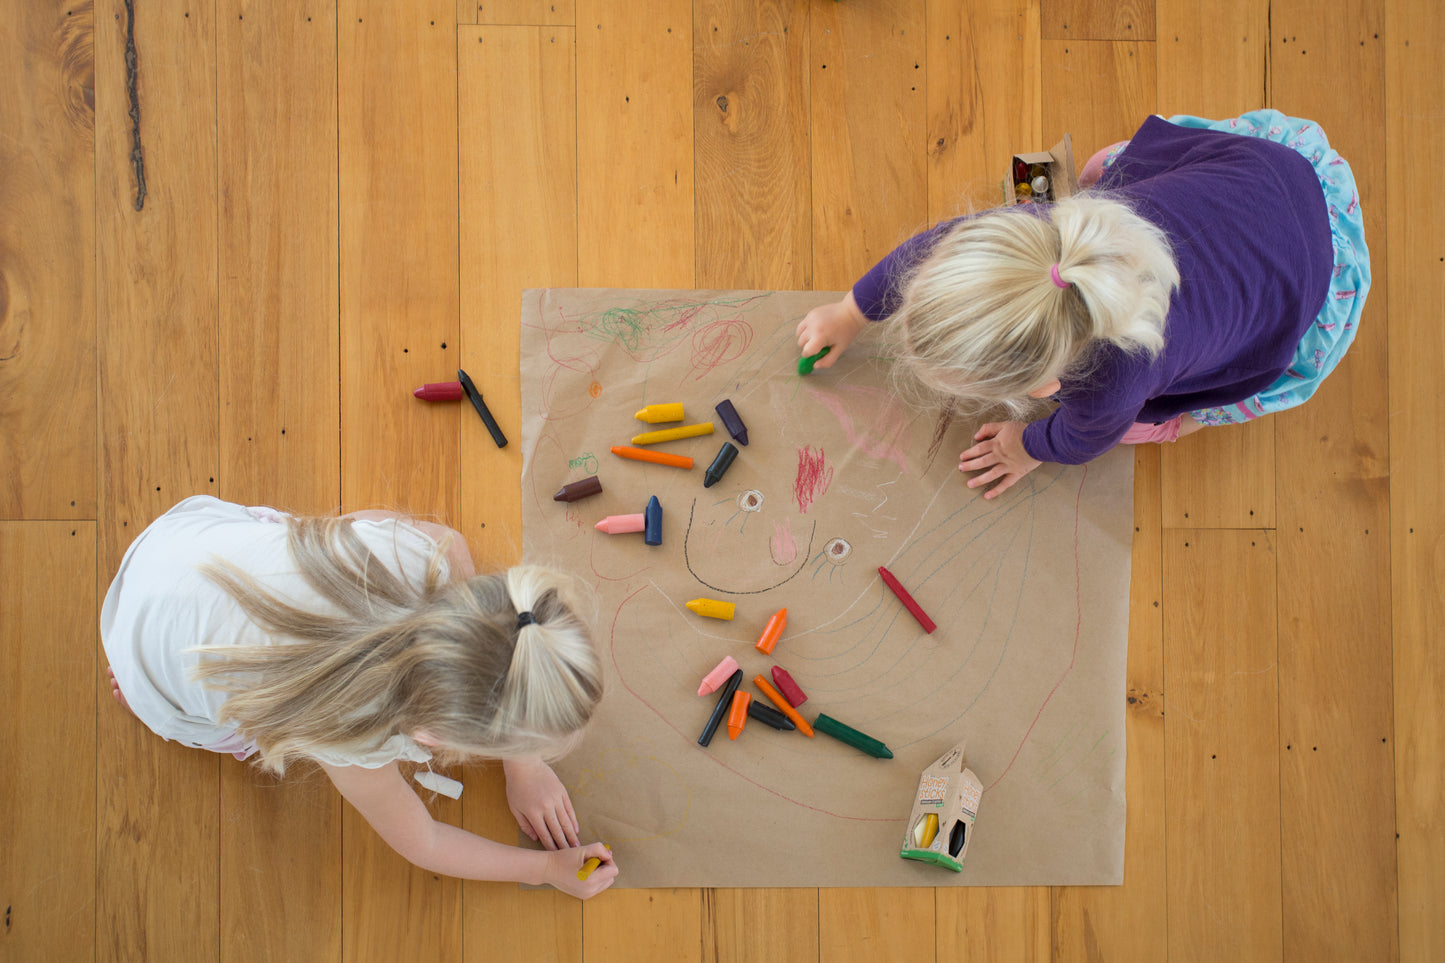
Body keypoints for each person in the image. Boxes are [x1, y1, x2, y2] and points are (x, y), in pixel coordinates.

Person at [795, 109, 1369, 498]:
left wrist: (1027, 445)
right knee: (1103, 164)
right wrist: (851, 311)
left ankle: (1183, 425)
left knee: (1143, 427)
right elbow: (926, 252)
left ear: (1046, 388)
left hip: (1309, 288)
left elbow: (1080, 439)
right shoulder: (1040, 234)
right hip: (1270, 175)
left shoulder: (1111, 388)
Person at [101, 495, 618, 898]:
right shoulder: (349, 733)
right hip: (146, 655)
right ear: (429, 735)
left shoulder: (421, 555)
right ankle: (150, 694)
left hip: (179, 546)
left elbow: (433, 540)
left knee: (302, 545)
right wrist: (544, 868)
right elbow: (425, 840)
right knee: (243, 726)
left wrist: (522, 767)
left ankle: (151, 666)